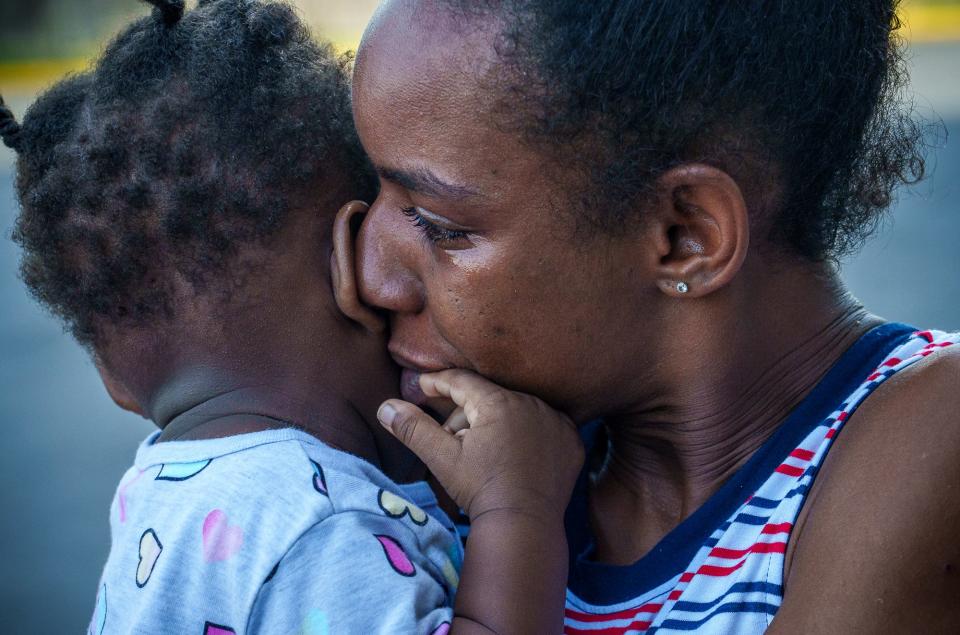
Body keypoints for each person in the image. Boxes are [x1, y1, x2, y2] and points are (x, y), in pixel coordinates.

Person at [350, 0, 960, 632]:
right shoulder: (500, 455)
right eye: (369, 195)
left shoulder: (934, 429)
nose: (371, 278)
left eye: (440, 227)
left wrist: (514, 526)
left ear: (683, 236)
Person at [1, 1, 584, 633]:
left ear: (111, 378)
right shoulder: (321, 527)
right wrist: (516, 508)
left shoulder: (152, 501)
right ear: (354, 261)